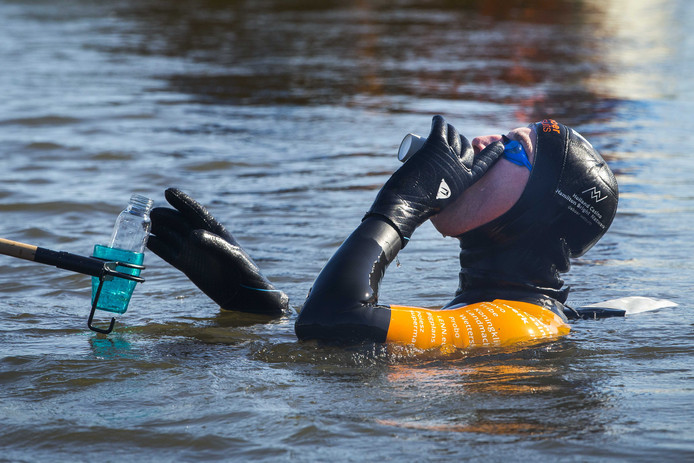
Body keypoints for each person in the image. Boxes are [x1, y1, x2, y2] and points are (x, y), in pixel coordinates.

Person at [146, 116, 618, 350]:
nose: (482, 142)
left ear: (542, 210)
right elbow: (343, 329)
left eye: (513, 150)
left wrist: (402, 204)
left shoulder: (523, 325)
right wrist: (260, 308)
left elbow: (332, 322)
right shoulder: (489, 313)